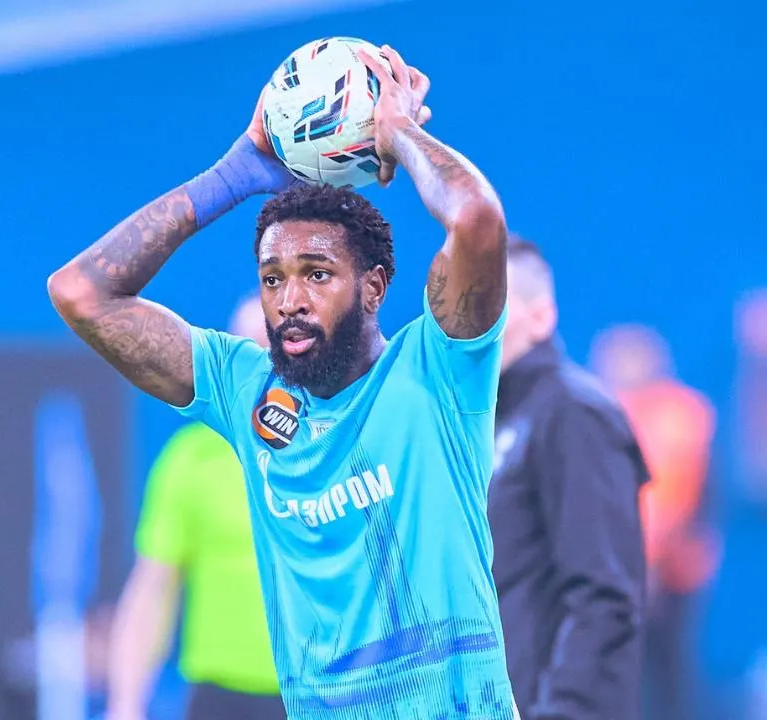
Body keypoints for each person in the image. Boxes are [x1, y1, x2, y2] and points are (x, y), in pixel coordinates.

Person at [49, 44, 518, 718]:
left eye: (317, 274)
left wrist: (400, 135)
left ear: (374, 287)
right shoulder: (245, 389)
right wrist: (232, 175)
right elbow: (81, 293)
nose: (289, 300)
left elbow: (476, 222)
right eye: (273, 279)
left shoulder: (438, 370)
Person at [487, 239, 649, 720]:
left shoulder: (574, 414)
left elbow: (605, 594)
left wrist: (565, 710)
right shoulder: (487, 419)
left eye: (488, 301)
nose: (469, 318)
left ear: (540, 317)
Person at [107, 294, 280, 720]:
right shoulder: (190, 459)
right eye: (247, 350)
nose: (261, 364)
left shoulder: (341, 449)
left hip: (328, 691)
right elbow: (152, 589)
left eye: (272, 347)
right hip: (220, 697)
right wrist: (126, 704)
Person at [588, 323, 718, 720]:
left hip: (671, 571)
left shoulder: (680, 418)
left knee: (667, 673)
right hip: (616, 567)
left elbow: (679, 499)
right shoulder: (598, 413)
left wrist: (653, 560)